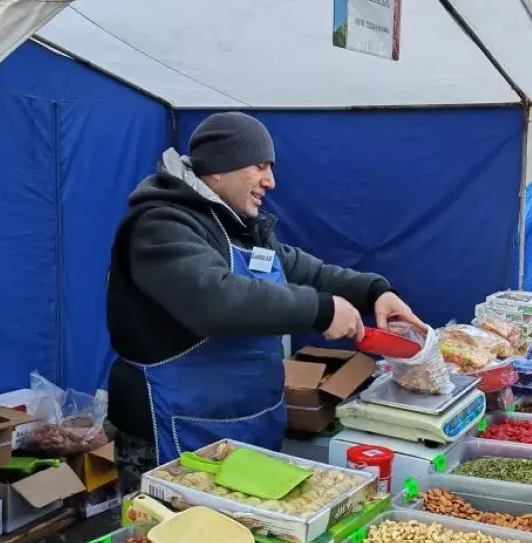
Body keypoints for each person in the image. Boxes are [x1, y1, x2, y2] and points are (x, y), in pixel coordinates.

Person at [105, 112, 425, 475]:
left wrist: (374, 292)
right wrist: (321, 311)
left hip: (247, 426)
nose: (270, 181)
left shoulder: (242, 227)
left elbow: (309, 271)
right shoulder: (161, 225)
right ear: (220, 167)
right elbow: (214, 300)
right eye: (259, 166)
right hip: (173, 431)